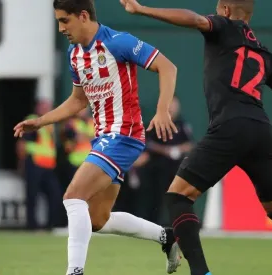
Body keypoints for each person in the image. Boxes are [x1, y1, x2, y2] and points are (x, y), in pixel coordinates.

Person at [119, 1, 272, 275]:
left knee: (178, 196)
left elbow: (194, 20)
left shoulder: (222, 26)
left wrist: (143, 10)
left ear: (224, 9)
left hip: (229, 126)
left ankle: (201, 272)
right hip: (261, 131)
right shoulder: (264, 54)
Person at [13, 1, 181, 274]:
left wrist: (162, 110)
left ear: (83, 15)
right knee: (98, 219)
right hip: (105, 138)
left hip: (123, 135)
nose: (61, 28)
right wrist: (41, 122)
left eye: (65, 20)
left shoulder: (118, 42)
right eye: (58, 21)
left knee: (72, 196)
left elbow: (168, 67)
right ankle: (167, 236)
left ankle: (74, 271)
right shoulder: (74, 54)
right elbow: (78, 101)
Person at [139, 97, 194, 225]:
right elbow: (149, 143)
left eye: (174, 105)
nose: (172, 109)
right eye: (170, 105)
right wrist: (166, 151)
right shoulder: (156, 123)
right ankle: (151, 223)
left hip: (176, 169)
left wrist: (177, 149)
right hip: (156, 168)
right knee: (154, 198)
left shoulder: (182, 124)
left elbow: (190, 144)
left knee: (176, 197)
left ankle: (178, 223)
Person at [16, 99, 64, 230]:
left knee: (55, 194)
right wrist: (21, 163)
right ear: (37, 108)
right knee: (32, 196)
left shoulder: (50, 123)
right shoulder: (32, 120)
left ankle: (50, 225)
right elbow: (22, 143)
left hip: (48, 166)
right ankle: (32, 226)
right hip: (34, 163)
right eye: (43, 106)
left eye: (47, 107)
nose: (45, 109)